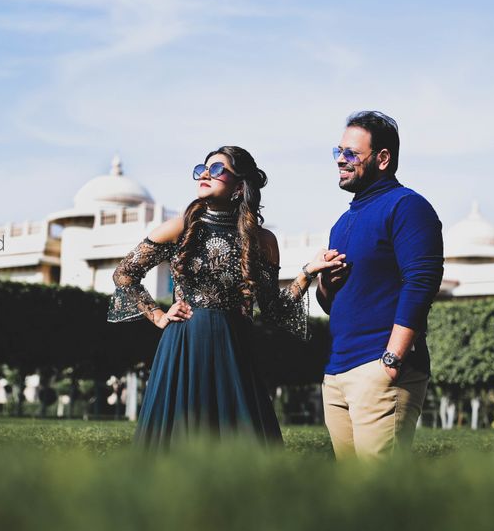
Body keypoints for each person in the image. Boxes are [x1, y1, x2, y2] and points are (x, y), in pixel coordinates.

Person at [107, 145, 345, 450]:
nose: (205, 174)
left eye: (218, 170)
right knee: (176, 443)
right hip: (183, 345)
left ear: (239, 186)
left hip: (235, 349)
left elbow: (274, 309)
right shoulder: (180, 227)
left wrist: (308, 272)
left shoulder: (262, 240)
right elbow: (124, 273)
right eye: (202, 169)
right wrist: (157, 315)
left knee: (244, 446)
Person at [316, 111, 444, 459]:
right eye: (338, 151)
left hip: (381, 369)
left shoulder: (407, 206)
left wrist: (392, 358)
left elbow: (421, 282)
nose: (341, 160)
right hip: (338, 373)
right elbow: (331, 302)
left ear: (383, 158)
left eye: (352, 153)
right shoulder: (342, 222)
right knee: (354, 496)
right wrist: (326, 283)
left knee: (380, 494)